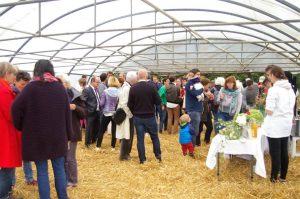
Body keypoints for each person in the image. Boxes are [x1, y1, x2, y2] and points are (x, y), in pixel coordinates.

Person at [12, 59, 71, 199]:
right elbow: (66, 112)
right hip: (57, 137)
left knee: (42, 171)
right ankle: (63, 197)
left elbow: (15, 108)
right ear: (51, 70)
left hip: (37, 138)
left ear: (36, 70)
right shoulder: (59, 87)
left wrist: (21, 126)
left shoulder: (30, 88)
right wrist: (68, 134)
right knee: (59, 170)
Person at [264, 65, 295, 183]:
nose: (268, 77)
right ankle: (283, 177)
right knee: (283, 151)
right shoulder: (289, 89)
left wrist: (267, 109)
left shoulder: (274, 90)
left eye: (268, 75)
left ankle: (273, 178)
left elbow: (269, 110)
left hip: (275, 124)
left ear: (273, 75)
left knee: (275, 152)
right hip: (286, 123)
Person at [56, 74, 86, 187]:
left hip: (72, 131)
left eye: (61, 82)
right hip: (60, 131)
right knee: (62, 157)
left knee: (70, 157)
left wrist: (75, 107)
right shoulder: (55, 95)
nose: (58, 85)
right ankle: (64, 179)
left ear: (66, 83)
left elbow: (84, 113)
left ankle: (73, 180)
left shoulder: (75, 96)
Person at [128, 69, 162, 164]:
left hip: (138, 117)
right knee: (154, 137)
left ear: (138, 76)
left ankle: (142, 159)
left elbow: (129, 104)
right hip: (150, 116)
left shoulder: (133, 88)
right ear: (146, 76)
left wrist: (134, 112)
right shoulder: (152, 87)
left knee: (140, 139)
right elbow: (158, 101)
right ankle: (158, 156)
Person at [11, 71, 37, 187]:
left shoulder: (28, 94)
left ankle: (29, 178)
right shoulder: (11, 93)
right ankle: (11, 182)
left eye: (27, 84)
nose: (24, 87)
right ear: (15, 82)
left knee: (26, 155)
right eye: (22, 84)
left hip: (25, 130)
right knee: (11, 156)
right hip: (13, 129)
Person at [0, 62, 22, 199]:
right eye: (13, 74)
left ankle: (7, 193)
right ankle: (3, 196)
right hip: (5, 133)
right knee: (7, 168)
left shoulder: (5, 88)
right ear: (7, 73)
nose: (15, 77)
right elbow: (10, 114)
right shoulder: (3, 91)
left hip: (5, 132)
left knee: (7, 167)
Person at [116, 72, 137, 160]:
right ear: (132, 79)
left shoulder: (125, 87)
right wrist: (131, 115)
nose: (136, 80)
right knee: (127, 134)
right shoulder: (127, 89)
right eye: (136, 78)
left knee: (127, 134)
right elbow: (124, 104)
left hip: (125, 114)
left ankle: (126, 154)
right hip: (126, 115)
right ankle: (124, 155)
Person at [96, 76, 119, 151]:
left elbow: (102, 103)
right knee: (114, 130)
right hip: (115, 113)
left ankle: (98, 146)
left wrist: (101, 108)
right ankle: (113, 146)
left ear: (109, 82)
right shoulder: (119, 91)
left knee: (101, 130)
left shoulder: (106, 91)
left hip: (106, 113)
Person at [185, 69, 204, 146]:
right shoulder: (190, 83)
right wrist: (201, 90)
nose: (199, 76)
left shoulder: (196, 83)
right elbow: (196, 93)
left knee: (195, 129)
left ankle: (192, 146)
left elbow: (201, 92)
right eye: (197, 74)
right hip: (193, 109)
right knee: (194, 130)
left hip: (197, 108)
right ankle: (191, 147)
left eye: (199, 74)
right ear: (192, 75)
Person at [82, 76, 101, 148]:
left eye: (98, 82)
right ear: (92, 82)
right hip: (90, 112)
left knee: (96, 127)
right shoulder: (87, 90)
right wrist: (87, 110)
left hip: (97, 111)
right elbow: (83, 101)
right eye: (97, 82)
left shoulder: (96, 89)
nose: (98, 84)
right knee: (89, 128)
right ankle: (87, 143)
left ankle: (93, 140)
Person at [196, 78, 214, 145]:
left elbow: (209, 102)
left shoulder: (206, 91)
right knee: (199, 129)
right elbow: (201, 103)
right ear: (204, 85)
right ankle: (197, 143)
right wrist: (208, 97)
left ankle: (207, 140)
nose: (209, 86)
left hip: (207, 113)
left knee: (210, 127)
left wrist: (211, 98)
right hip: (201, 113)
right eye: (208, 85)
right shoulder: (199, 92)